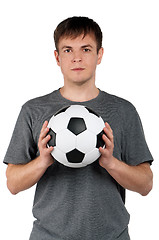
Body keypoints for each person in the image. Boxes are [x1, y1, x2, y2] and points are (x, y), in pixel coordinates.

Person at [4, 16, 153, 240]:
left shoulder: (123, 111)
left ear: (99, 54)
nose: (76, 58)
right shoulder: (33, 110)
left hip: (112, 236)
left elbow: (146, 184)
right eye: (67, 50)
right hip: (49, 236)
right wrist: (43, 160)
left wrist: (111, 163)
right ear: (57, 57)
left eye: (85, 49)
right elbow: (13, 184)